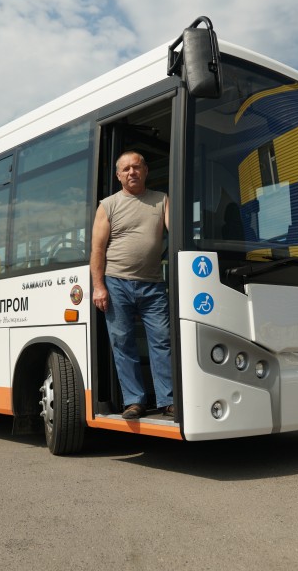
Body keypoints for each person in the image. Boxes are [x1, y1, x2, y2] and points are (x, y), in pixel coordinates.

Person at [91, 151, 173, 420]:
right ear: (118, 176)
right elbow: (97, 249)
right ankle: (135, 401)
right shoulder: (108, 205)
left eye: (136, 167)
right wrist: (99, 286)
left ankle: (167, 400)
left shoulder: (162, 200)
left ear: (145, 170)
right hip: (116, 284)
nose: (131, 172)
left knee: (161, 341)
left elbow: (177, 234)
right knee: (123, 342)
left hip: (152, 284)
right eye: (125, 169)